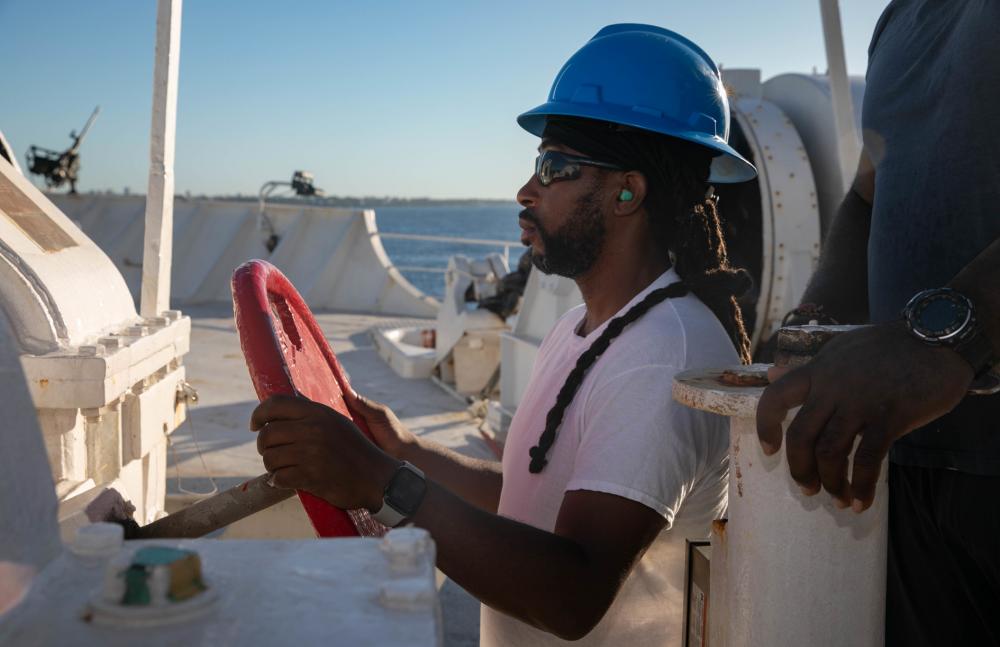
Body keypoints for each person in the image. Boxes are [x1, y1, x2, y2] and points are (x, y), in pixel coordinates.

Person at [251, 24, 756, 645]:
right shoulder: (581, 328)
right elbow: (531, 499)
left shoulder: (661, 356)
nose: (525, 191)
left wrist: (379, 482)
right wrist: (405, 450)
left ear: (628, 191)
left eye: (555, 166)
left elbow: (573, 593)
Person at [754, 2, 1000, 644]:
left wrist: (952, 334)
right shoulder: (900, 20)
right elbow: (869, 192)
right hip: (909, 460)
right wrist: (815, 326)